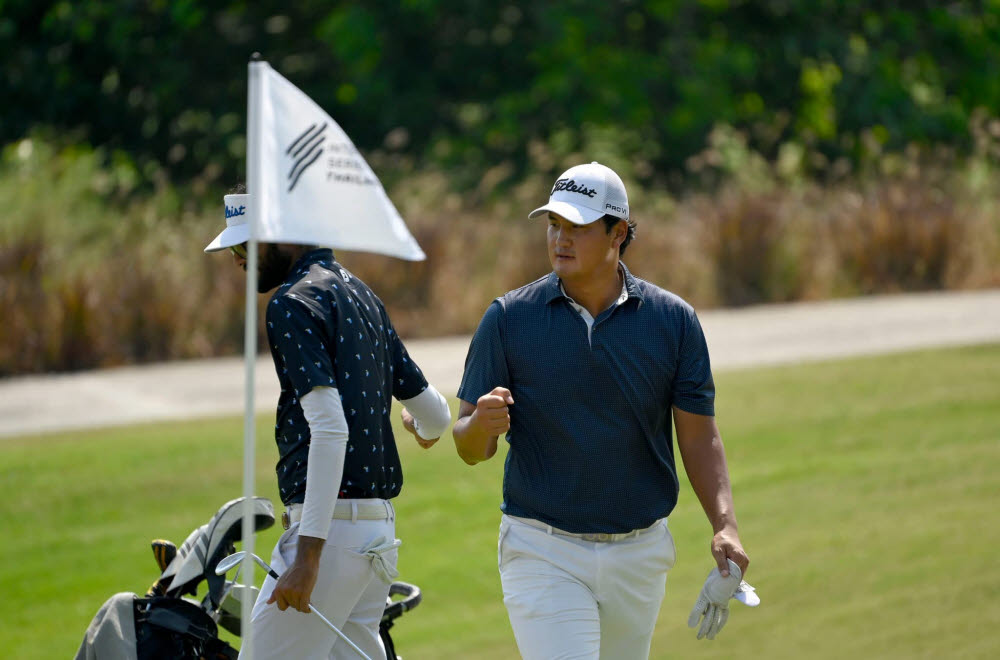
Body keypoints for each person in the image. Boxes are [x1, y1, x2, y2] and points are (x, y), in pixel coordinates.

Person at [452, 162, 751, 658]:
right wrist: (479, 425)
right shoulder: (507, 319)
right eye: (554, 225)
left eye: (578, 228)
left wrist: (725, 524)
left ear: (619, 233)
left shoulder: (673, 321)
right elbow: (468, 447)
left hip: (639, 553)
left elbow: (699, 436)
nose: (560, 240)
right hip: (541, 548)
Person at [205, 189, 452, 659]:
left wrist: (308, 558)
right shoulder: (362, 294)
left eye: (245, 246)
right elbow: (436, 415)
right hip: (376, 536)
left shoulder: (291, 304)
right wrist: (421, 429)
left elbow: (330, 429)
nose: (238, 260)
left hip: (329, 541)